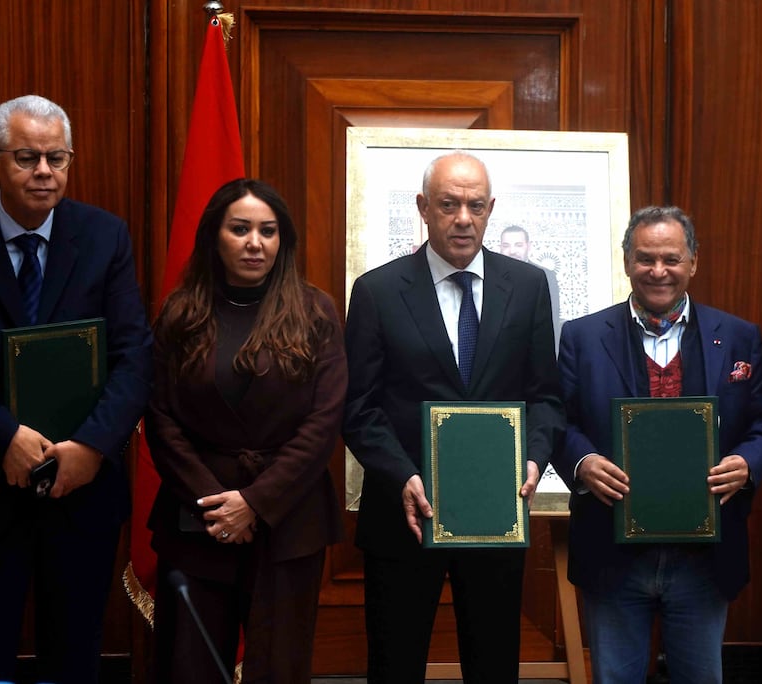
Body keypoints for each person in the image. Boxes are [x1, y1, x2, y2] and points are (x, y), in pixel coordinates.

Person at [0, 95, 153, 683]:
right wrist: (3, 436)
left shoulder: (104, 235)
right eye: (26, 157)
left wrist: (92, 447)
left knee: (74, 660)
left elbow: (134, 355)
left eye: (56, 158)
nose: (44, 172)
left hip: (81, 489)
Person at [343, 151, 565, 683]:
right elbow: (357, 407)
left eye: (474, 205)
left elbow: (546, 396)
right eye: (448, 204)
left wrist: (536, 458)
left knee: (493, 666)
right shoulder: (376, 291)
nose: (462, 218)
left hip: (496, 513)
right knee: (395, 666)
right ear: (424, 207)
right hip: (404, 515)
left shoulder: (529, 287)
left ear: (490, 209)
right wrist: (402, 476)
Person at [551, 205, 762, 683]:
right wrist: (582, 461)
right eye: (645, 258)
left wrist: (746, 462)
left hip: (704, 559)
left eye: (672, 259)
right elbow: (557, 421)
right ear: (627, 262)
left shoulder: (738, 337)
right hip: (612, 555)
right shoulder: (582, 336)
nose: (658, 271)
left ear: (694, 262)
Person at [144, 178, 345, 683]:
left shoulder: (314, 311)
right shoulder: (180, 311)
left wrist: (254, 503)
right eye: (240, 229)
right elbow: (160, 417)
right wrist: (217, 504)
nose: (255, 242)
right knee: (189, 666)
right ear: (215, 235)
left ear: (283, 241)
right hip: (198, 518)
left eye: (268, 231)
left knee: (278, 667)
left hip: (287, 519)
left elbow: (323, 423)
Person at [499, 224, 563, 347]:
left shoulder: (545, 276)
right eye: (506, 246)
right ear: (500, 248)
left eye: (518, 245)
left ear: (528, 247)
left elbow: (552, 318)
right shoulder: (489, 274)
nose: (512, 251)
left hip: (533, 346)